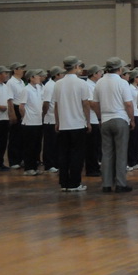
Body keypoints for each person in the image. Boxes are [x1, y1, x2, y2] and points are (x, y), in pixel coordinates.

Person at [92, 57, 135, 193]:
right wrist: (132, 119)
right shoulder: (122, 83)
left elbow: (94, 103)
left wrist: (100, 117)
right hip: (120, 118)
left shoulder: (100, 82)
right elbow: (128, 104)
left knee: (106, 153)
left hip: (105, 119)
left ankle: (106, 184)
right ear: (120, 69)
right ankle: (120, 183)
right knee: (121, 153)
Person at [53, 56, 90, 192]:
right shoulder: (81, 83)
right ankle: (75, 183)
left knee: (63, 154)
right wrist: (88, 121)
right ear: (75, 67)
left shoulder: (58, 84)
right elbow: (85, 104)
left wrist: (57, 122)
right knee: (77, 155)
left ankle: (64, 183)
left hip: (64, 125)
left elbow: (56, 106)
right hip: (78, 124)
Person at [19, 69, 45, 176]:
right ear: (31, 78)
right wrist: (25, 117)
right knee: (29, 146)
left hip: (38, 121)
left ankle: (34, 166)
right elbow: (21, 106)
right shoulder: (26, 90)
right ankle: (28, 168)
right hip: (29, 123)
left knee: (37, 146)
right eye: (37, 76)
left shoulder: (38, 88)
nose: (39, 77)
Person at [6, 62, 27, 169]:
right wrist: (12, 114)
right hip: (15, 108)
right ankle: (13, 160)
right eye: (21, 68)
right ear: (15, 70)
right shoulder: (11, 83)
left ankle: (21, 158)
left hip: (21, 108)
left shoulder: (21, 82)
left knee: (22, 136)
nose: (23, 71)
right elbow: (9, 99)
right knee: (15, 136)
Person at [127, 68, 138, 170]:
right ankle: (132, 160)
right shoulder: (130, 89)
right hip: (134, 115)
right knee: (133, 140)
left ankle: (136, 159)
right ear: (134, 78)